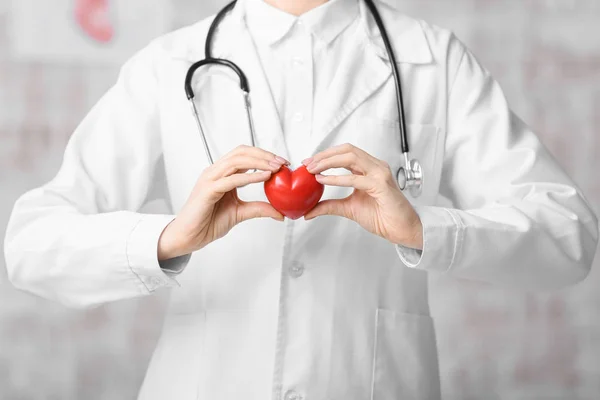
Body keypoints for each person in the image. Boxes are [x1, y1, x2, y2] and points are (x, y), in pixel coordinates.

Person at [4, 0, 598, 399]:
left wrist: (424, 230)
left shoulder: (431, 59)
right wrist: (166, 240)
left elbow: (568, 236)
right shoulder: (170, 64)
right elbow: (30, 247)